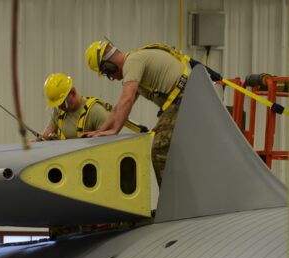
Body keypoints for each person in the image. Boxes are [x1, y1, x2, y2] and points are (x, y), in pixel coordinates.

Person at [83, 39, 221, 188]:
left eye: (106, 73)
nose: (111, 77)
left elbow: (127, 98)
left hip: (185, 99)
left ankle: (172, 205)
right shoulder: (136, 62)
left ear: (109, 66)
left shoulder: (132, 62)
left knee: (160, 149)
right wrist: (101, 131)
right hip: (187, 99)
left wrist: (114, 130)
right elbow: (118, 107)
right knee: (176, 152)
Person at [38, 73, 113, 141]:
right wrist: (37, 141)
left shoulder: (96, 111)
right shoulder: (58, 112)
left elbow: (110, 142)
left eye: (62, 103)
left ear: (73, 92)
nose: (60, 107)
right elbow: (46, 136)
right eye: (57, 104)